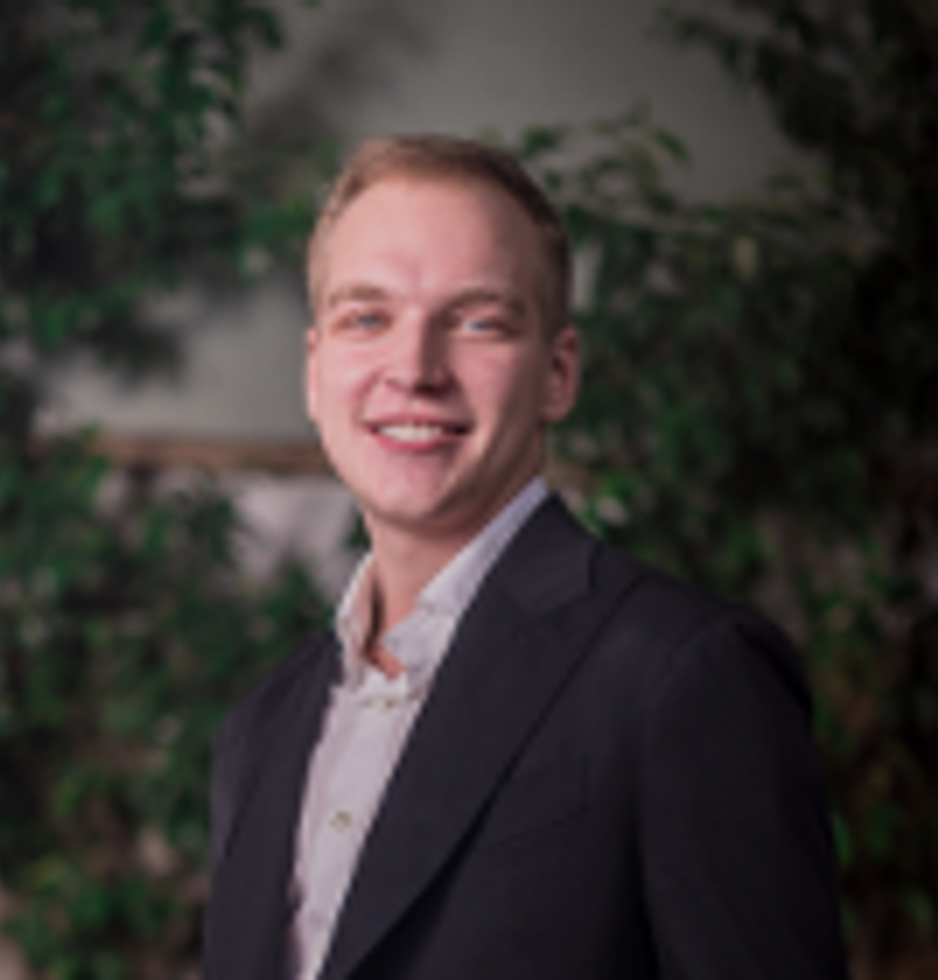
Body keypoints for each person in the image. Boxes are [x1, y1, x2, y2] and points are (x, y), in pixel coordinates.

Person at [203, 135, 849, 980]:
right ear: (315, 371)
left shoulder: (683, 674)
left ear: (557, 374)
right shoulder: (262, 726)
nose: (414, 368)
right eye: (367, 318)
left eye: (478, 322)